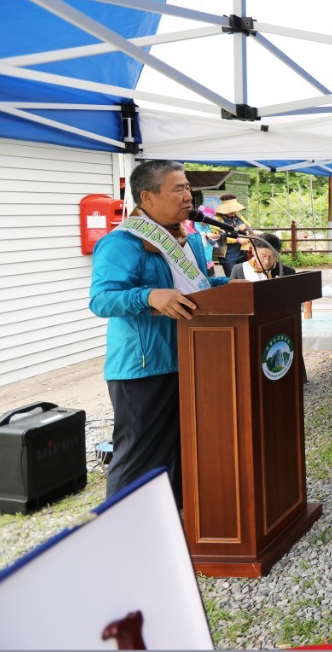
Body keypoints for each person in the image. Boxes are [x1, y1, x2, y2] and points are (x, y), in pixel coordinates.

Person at [89, 160, 228, 506]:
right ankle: (121, 526)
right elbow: (102, 300)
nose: (189, 196)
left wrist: (233, 286)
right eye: (178, 189)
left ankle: (174, 518)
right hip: (144, 367)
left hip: (190, 358)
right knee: (138, 458)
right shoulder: (123, 242)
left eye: (188, 188)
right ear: (148, 197)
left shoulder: (188, 239)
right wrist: (149, 296)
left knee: (181, 452)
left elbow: (198, 290)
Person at [229, 233, 296, 280]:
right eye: (263, 256)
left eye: (272, 256)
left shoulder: (288, 273)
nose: (267, 262)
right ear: (253, 250)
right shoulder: (239, 270)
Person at [215, 194, 252, 277]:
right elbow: (218, 237)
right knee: (233, 278)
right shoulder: (216, 219)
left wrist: (245, 226)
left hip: (242, 252)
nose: (233, 211)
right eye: (231, 210)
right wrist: (237, 240)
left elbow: (248, 225)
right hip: (228, 254)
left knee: (245, 277)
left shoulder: (237, 215)